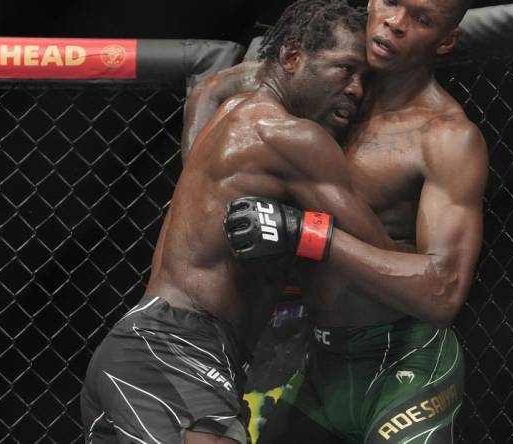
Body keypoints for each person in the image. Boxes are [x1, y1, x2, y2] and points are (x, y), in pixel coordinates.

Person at [79, 2, 396, 443]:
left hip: (143, 348)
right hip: (177, 354)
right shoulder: (292, 137)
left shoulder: (229, 114)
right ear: (291, 58)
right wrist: (302, 233)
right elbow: (384, 264)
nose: (358, 90)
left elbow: (209, 86)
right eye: (344, 70)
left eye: (367, 78)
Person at [188, 0, 486, 443]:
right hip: (320, 360)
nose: (396, 23)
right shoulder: (326, 88)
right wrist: (198, 184)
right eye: (390, 3)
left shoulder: (445, 137)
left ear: (446, 40)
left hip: (405, 362)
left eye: (420, 19)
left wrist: (304, 234)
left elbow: (442, 292)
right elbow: (211, 89)